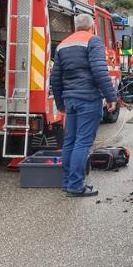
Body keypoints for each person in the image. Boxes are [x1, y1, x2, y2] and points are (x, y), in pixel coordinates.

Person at [50, 13, 118, 197]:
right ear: (92, 26)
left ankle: (67, 182)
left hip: (70, 100)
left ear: (75, 26)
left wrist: (60, 102)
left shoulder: (63, 44)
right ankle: (76, 186)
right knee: (83, 143)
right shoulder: (93, 41)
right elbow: (99, 71)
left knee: (70, 142)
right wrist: (111, 97)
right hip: (88, 99)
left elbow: (55, 78)